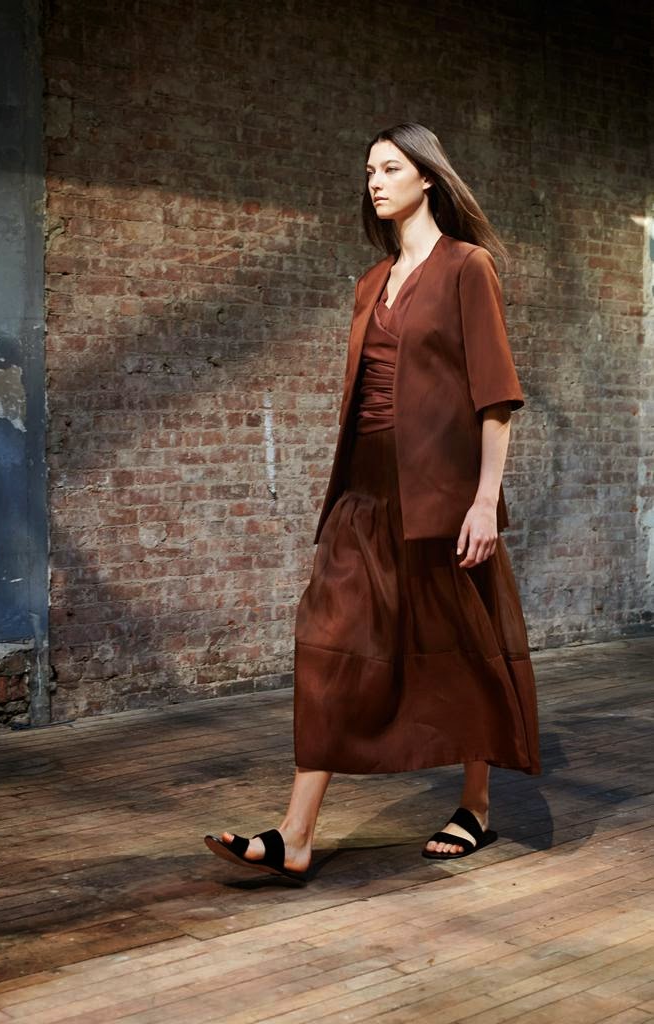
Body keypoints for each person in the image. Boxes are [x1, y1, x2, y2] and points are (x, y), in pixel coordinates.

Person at [205, 122, 541, 884]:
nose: (376, 182)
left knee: (463, 647)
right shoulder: (370, 282)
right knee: (329, 639)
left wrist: (483, 501)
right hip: (363, 491)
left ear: (428, 177)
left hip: (441, 496)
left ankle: (475, 806)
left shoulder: (467, 268)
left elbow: (495, 397)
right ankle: (294, 834)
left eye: (390, 168)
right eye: (368, 172)